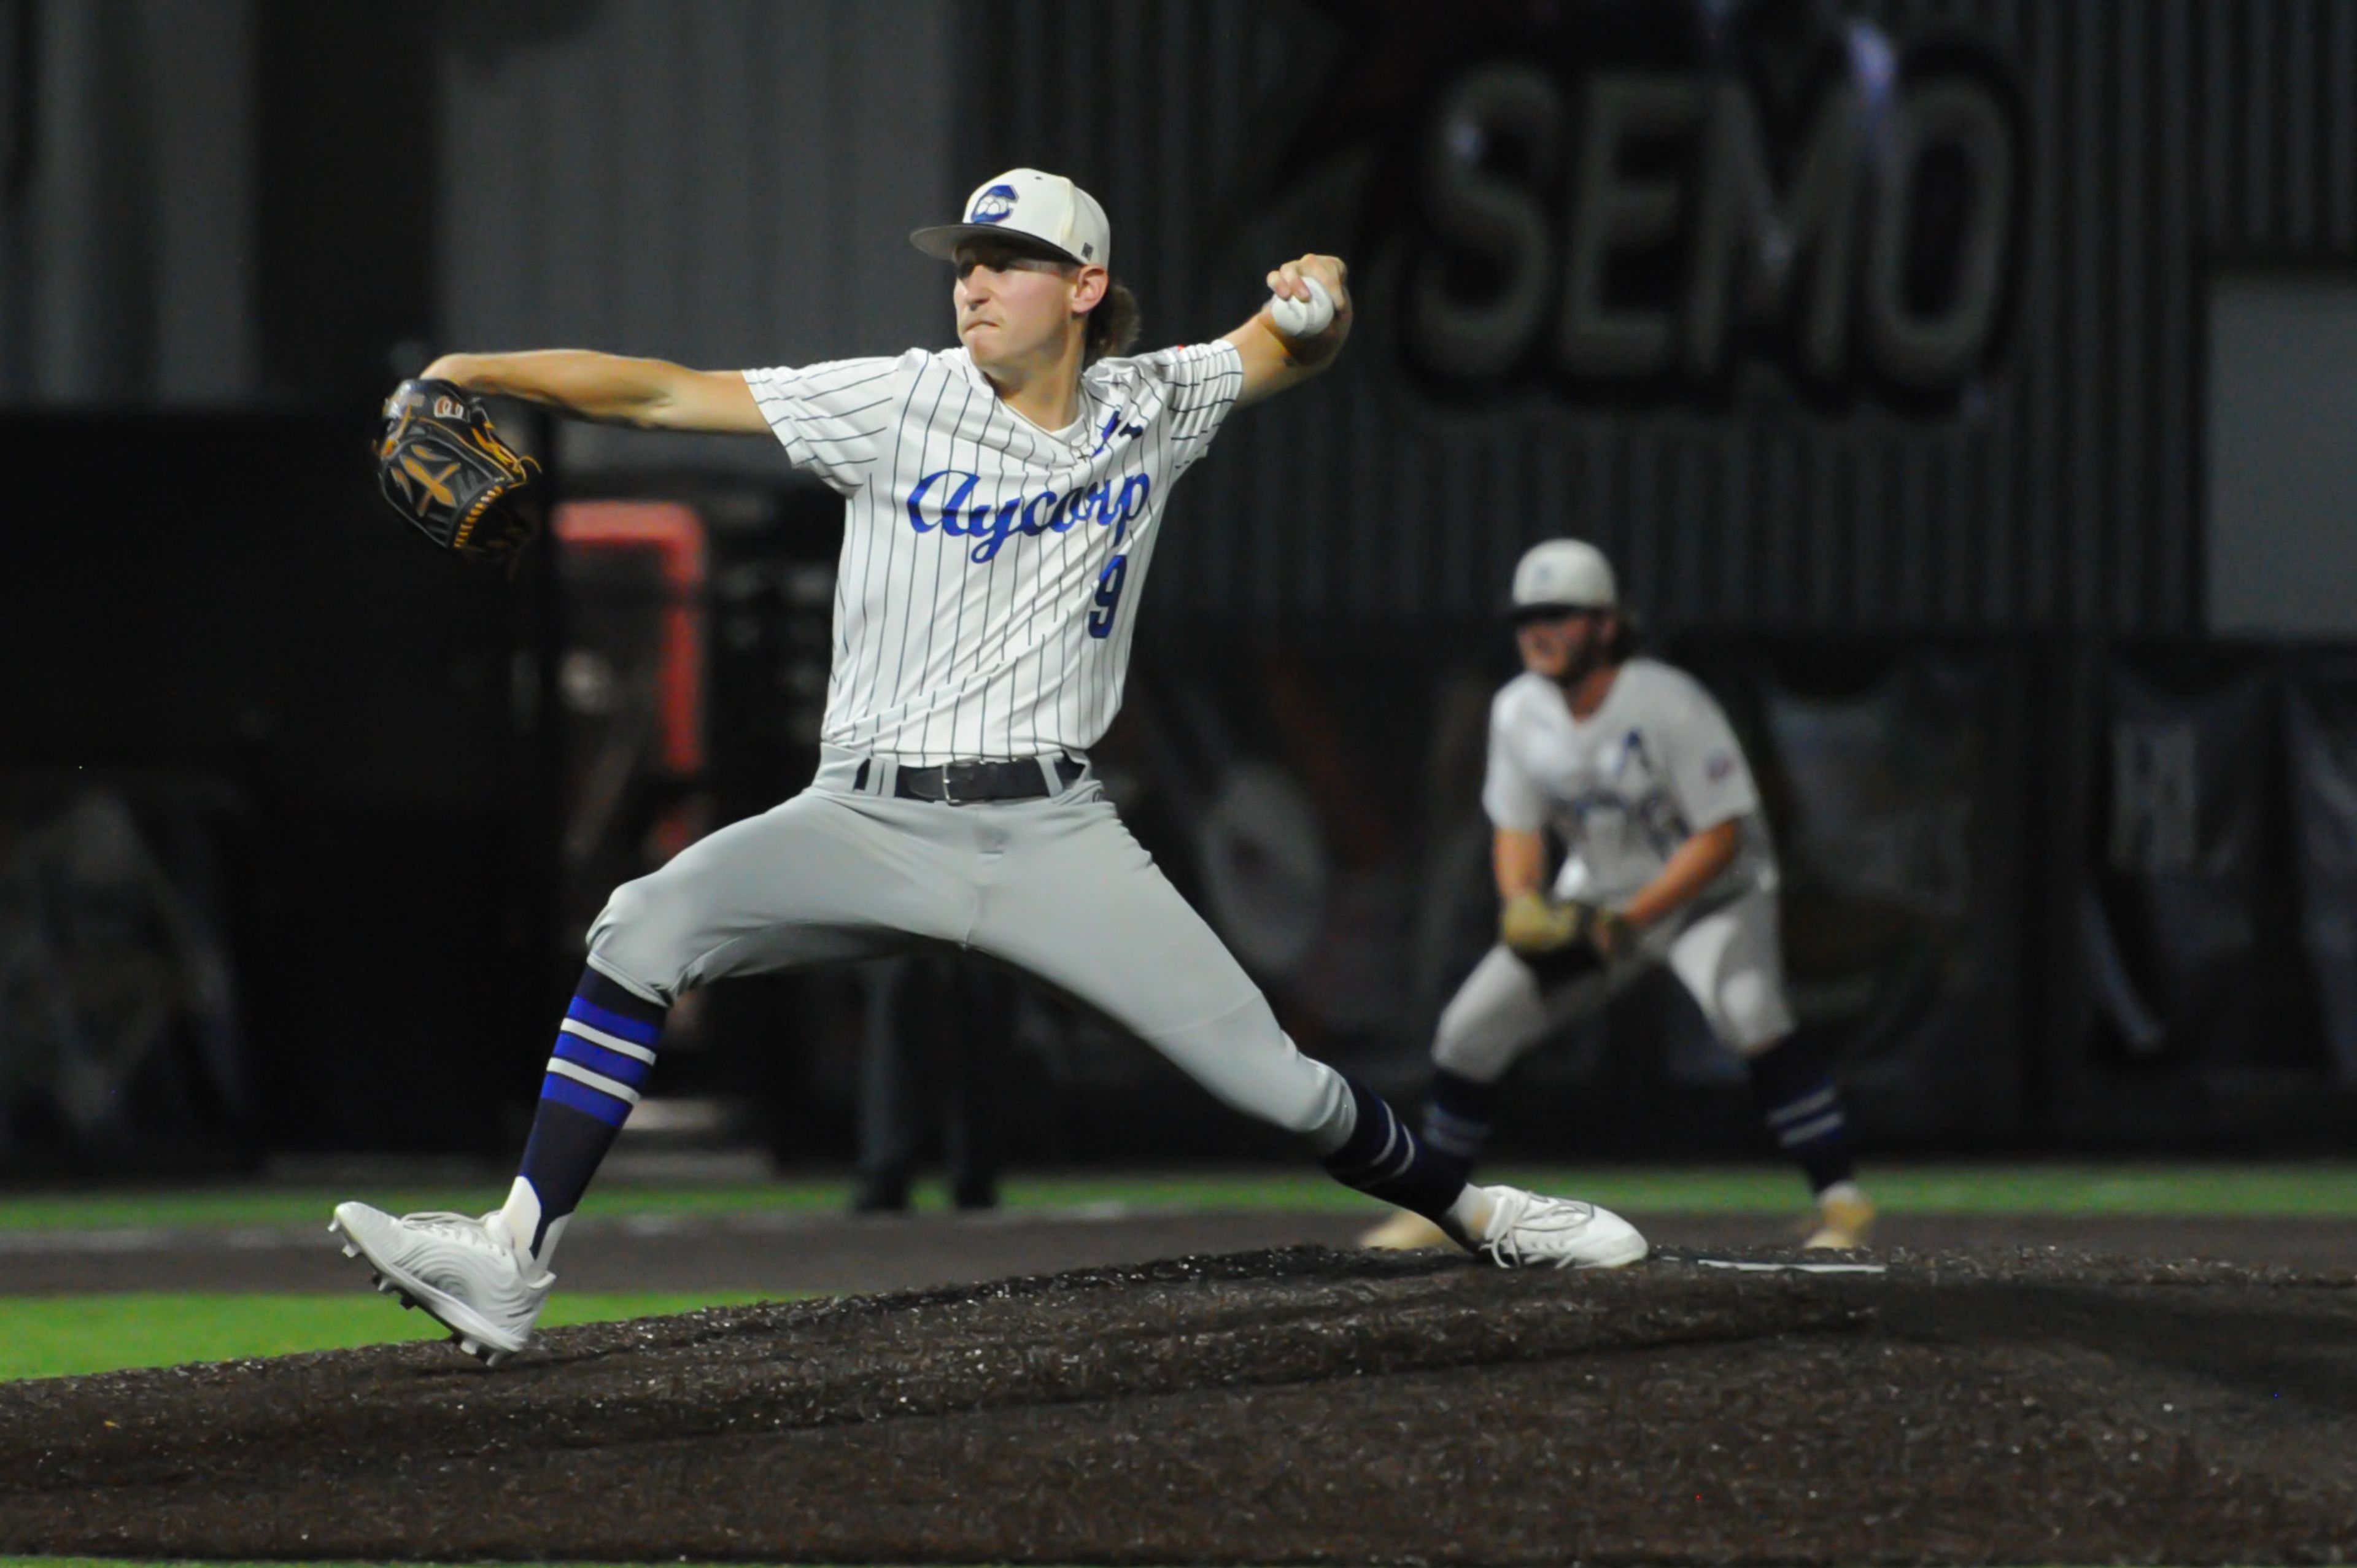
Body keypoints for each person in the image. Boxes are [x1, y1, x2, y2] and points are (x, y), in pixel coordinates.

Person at [330, 169, 1647, 1365]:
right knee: (641, 921)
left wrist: (1329, 287)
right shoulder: (897, 398)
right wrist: (475, 363)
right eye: (966, 257)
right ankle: (514, 1253)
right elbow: (664, 389)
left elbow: (1300, 343)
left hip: (1052, 832)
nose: (972, 279)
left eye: (1007, 259)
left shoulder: (1155, 401)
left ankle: (1488, 1214)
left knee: (1279, 1085)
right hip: (864, 814)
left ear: (1083, 290)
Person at [1361, 539, 1874, 1253]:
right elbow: (1517, 826)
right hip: (1599, 901)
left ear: (1605, 625)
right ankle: (1436, 1203)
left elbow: (1722, 836)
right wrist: (1520, 902)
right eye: (1527, 616)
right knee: (1468, 1030)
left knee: (1748, 1012)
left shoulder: (1668, 702)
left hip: (1709, 901)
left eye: (1559, 614)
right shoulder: (1519, 709)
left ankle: (1842, 1206)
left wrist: (1632, 920)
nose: (1538, 630)